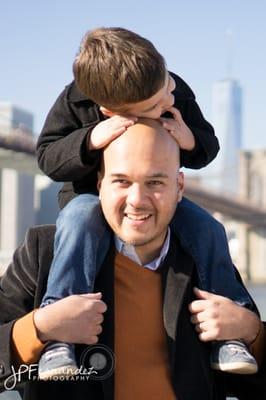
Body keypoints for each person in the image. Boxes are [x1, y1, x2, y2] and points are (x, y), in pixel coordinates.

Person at [36, 27, 255, 377]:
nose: (169, 98)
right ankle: (60, 338)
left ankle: (229, 335)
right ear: (111, 111)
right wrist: (90, 139)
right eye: (156, 104)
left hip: (166, 201)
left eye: (167, 84)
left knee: (209, 227)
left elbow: (207, 147)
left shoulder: (171, 88)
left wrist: (189, 139)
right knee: (79, 221)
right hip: (88, 197)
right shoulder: (74, 102)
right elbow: (47, 156)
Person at [0, 119, 265, 400]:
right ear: (100, 184)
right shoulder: (44, 254)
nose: (137, 200)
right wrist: (38, 329)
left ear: (179, 187)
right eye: (122, 181)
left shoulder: (208, 261)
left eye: (155, 182)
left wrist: (252, 334)